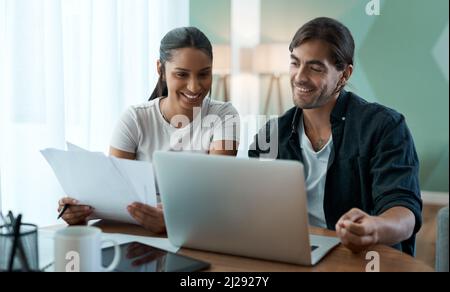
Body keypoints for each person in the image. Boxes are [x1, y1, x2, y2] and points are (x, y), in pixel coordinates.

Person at [249, 17, 422, 255]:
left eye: (315, 68)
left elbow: (404, 211)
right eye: (295, 63)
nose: (299, 76)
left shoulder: (384, 127)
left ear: (344, 75)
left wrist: (374, 227)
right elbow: (252, 205)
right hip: (293, 252)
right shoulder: (271, 135)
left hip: (363, 257)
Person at [58, 27, 240, 233]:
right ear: (160, 69)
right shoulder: (135, 118)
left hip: (198, 232)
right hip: (137, 234)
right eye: (182, 74)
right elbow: (114, 194)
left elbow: (215, 192)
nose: (194, 86)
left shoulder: (225, 116)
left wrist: (174, 217)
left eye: (204, 74)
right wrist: (79, 211)